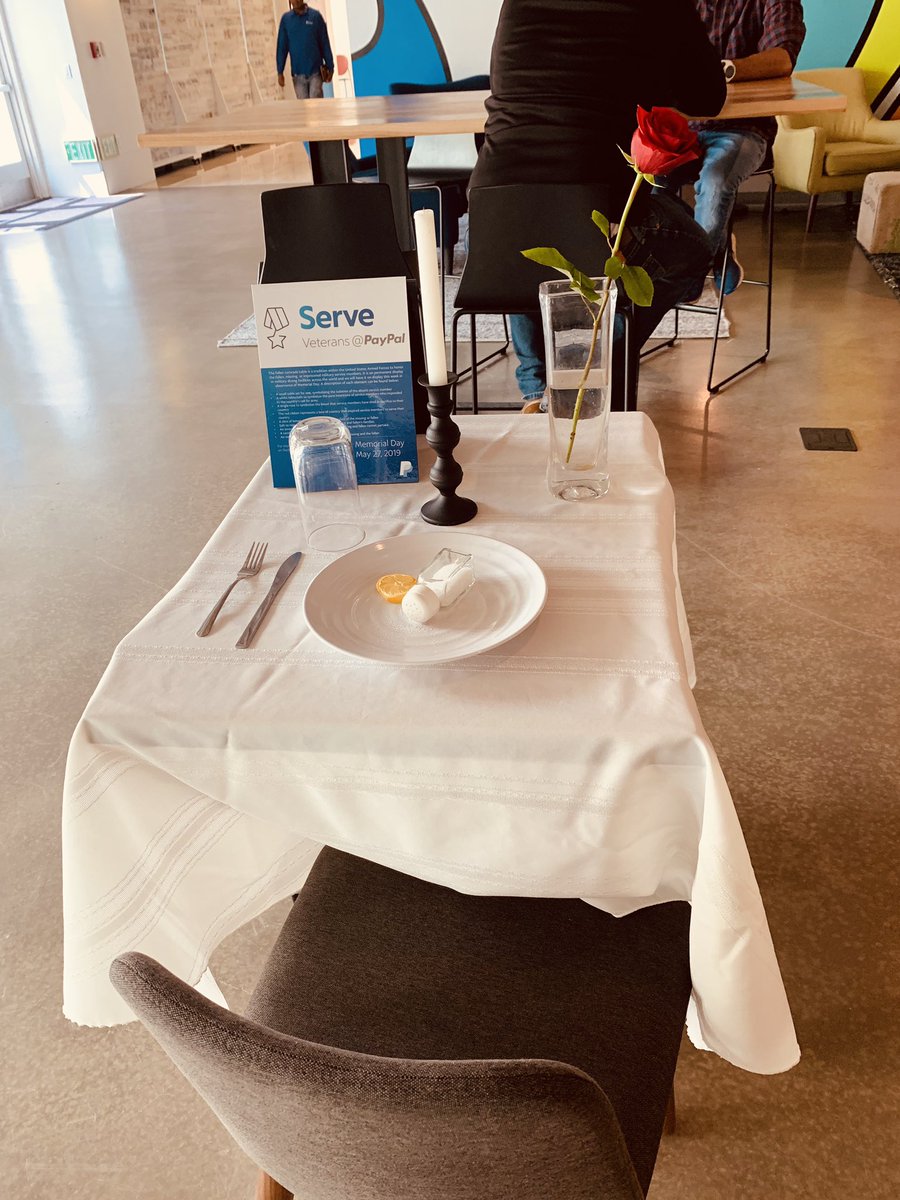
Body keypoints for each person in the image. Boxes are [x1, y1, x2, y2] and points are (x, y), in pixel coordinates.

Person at [467, 0, 728, 411]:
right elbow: (709, 97)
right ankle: (588, 373)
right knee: (693, 249)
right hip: (593, 206)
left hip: (490, 202)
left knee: (527, 230)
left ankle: (540, 390)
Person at [686, 0, 806, 296]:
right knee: (646, 184)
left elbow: (781, 59)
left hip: (745, 128)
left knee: (715, 180)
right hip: (683, 126)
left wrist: (723, 70)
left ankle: (684, 280)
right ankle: (719, 245)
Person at [276, 0, 334, 101]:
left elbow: (324, 43)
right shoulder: (286, 20)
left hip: (316, 73)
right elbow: (282, 47)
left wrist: (330, 66)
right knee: (304, 109)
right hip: (298, 75)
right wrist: (280, 71)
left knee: (316, 106)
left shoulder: (315, 17)